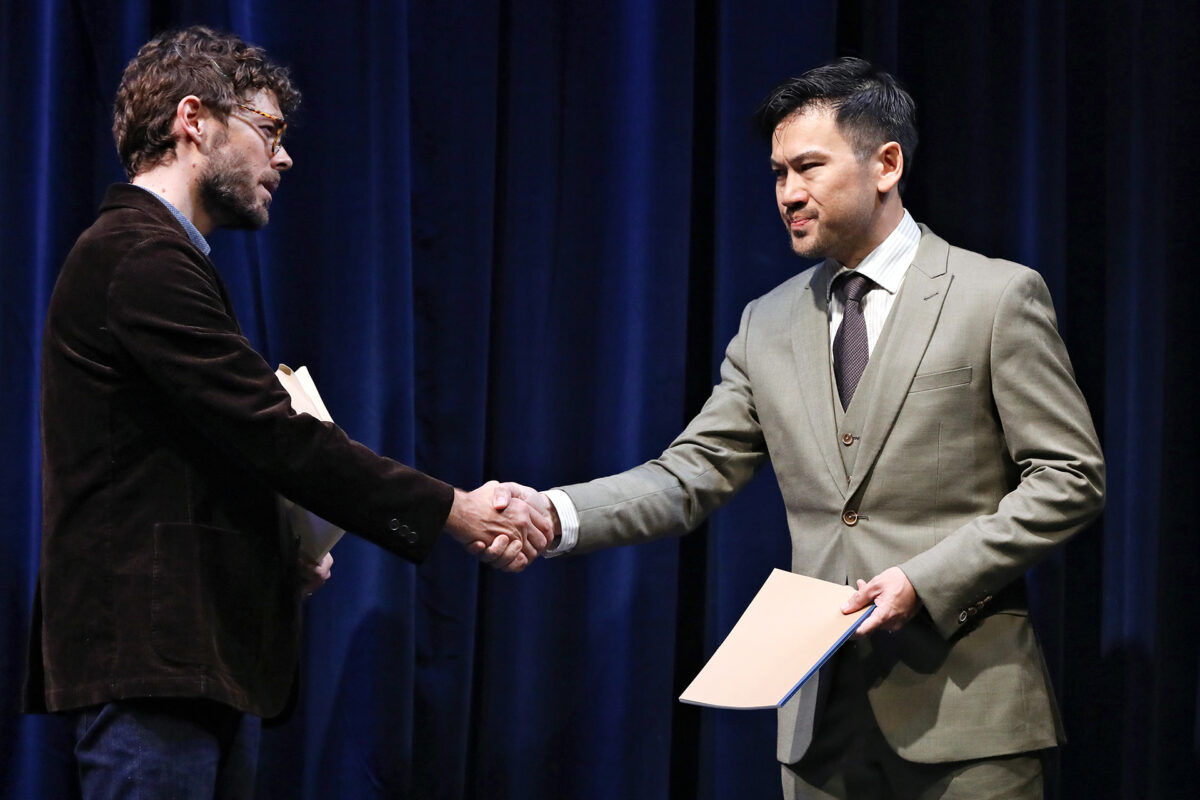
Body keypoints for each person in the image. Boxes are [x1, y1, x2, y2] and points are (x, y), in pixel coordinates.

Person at [498, 57, 1105, 798]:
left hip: (969, 716)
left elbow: (1070, 478)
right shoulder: (769, 322)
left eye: (808, 168)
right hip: (822, 727)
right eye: (779, 173)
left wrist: (925, 578)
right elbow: (691, 473)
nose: (788, 193)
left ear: (886, 164)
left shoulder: (995, 296)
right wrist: (552, 512)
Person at [24, 25, 550, 799]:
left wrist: (278, 546)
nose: (285, 157)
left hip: (193, 667)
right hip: (155, 670)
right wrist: (453, 511)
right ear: (193, 121)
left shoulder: (160, 259)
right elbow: (272, 433)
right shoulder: (138, 255)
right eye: (268, 131)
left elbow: (196, 459)